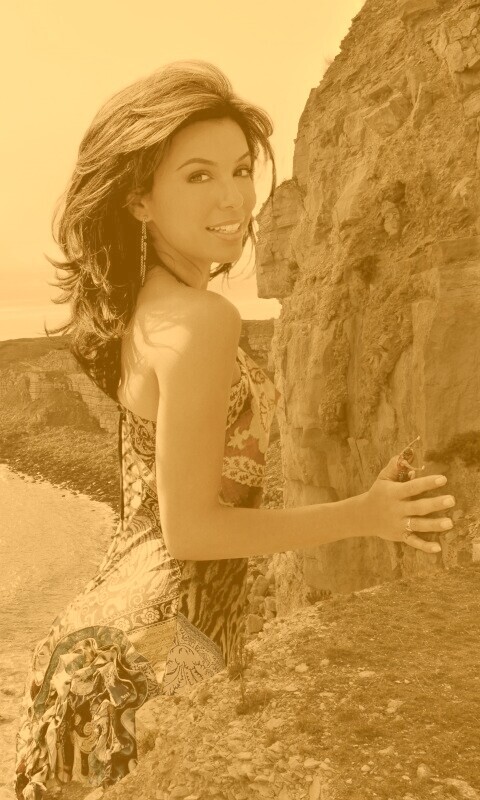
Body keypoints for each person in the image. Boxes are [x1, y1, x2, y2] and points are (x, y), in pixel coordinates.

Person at [14, 60, 455, 799]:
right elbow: (191, 531)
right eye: (198, 175)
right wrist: (367, 514)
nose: (234, 198)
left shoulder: (148, 306)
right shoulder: (203, 321)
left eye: (242, 170)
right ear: (139, 199)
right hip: (157, 651)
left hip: (104, 639)